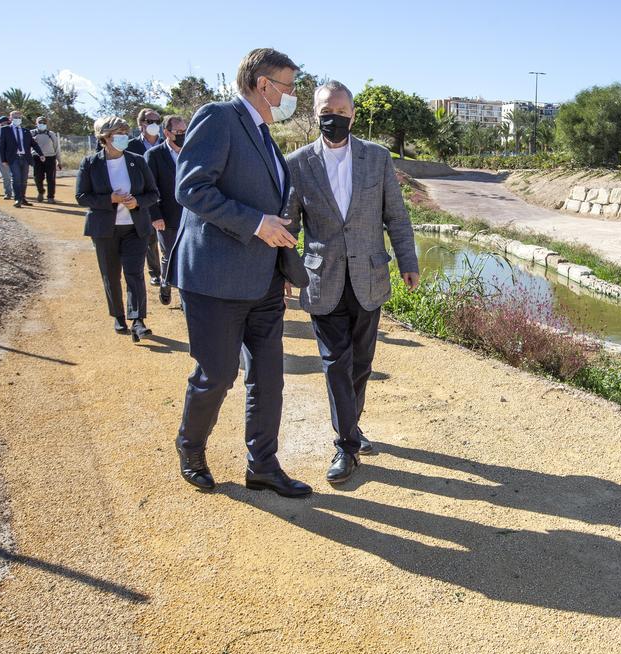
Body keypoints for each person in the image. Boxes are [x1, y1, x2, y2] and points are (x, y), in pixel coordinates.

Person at [167, 47, 311, 497]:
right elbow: (190, 188)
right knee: (217, 373)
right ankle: (190, 448)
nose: (292, 95)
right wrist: (256, 224)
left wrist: (283, 259)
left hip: (264, 280)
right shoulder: (219, 117)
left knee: (268, 376)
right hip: (215, 280)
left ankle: (263, 464)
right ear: (263, 84)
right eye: (287, 86)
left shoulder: (265, 134)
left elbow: (275, 205)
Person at [284, 81, 420, 485]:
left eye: (342, 112)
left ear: (353, 115)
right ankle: (345, 445)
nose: (334, 118)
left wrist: (408, 261)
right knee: (334, 362)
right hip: (321, 279)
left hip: (369, 276)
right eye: (327, 110)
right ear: (315, 113)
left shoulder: (376, 158)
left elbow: (396, 215)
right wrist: (285, 274)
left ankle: (352, 426)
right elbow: (289, 226)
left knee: (361, 363)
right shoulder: (296, 163)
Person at [76, 116, 159, 341]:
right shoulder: (90, 163)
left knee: (135, 274)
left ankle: (138, 320)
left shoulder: (137, 161)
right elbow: (81, 197)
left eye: (125, 132)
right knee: (111, 275)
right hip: (105, 230)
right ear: (105, 137)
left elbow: (153, 193)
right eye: (118, 133)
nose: (123, 137)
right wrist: (109, 199)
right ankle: (119, 315)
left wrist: (137, 202)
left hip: (135, 227)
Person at [144, 114, 187, 306]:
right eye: (178, 132)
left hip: (190, 215)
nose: (183, 135)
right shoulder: (154, 155)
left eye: (185, 131)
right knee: (169, 254)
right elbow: (148, 188)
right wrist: (155, 215)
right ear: (167, 132)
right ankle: (165, 282)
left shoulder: (192, 153)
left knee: (188, 256)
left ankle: (186, 295)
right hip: (166, 216)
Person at [134, 108, 164, 286]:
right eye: (150, 121)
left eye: (157, 121)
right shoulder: (131, 146)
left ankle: (171, 272)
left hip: (166, 195)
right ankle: (155, 272)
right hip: (145, 197)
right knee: (150, 237)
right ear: (141, 124)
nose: (154, 125)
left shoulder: (166, 144)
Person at [0, 110, 36, 208]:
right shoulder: (5, 129)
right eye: (15, 117)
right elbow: (1, 146)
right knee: (16, 178)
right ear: (10, 119)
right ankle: (17, 199)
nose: (17, 119)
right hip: (13, 158)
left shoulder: (25, 131)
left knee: (24, 180)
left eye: (19, 117)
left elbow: (33, 144)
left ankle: (23, 198)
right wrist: (3, 160)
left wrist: (41, 154)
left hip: (25, 158)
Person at [30, 115, 61, 203]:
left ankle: (50, 197)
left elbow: (56, 148)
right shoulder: (31, 133)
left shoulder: (51, 134)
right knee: (37, 177)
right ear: (36, 124)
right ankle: (41, 191)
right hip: (36, 158)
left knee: (51, 179)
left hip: (50, 158)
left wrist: (59, 161)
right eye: (40, 122)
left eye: (44, 123)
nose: (42, 124)